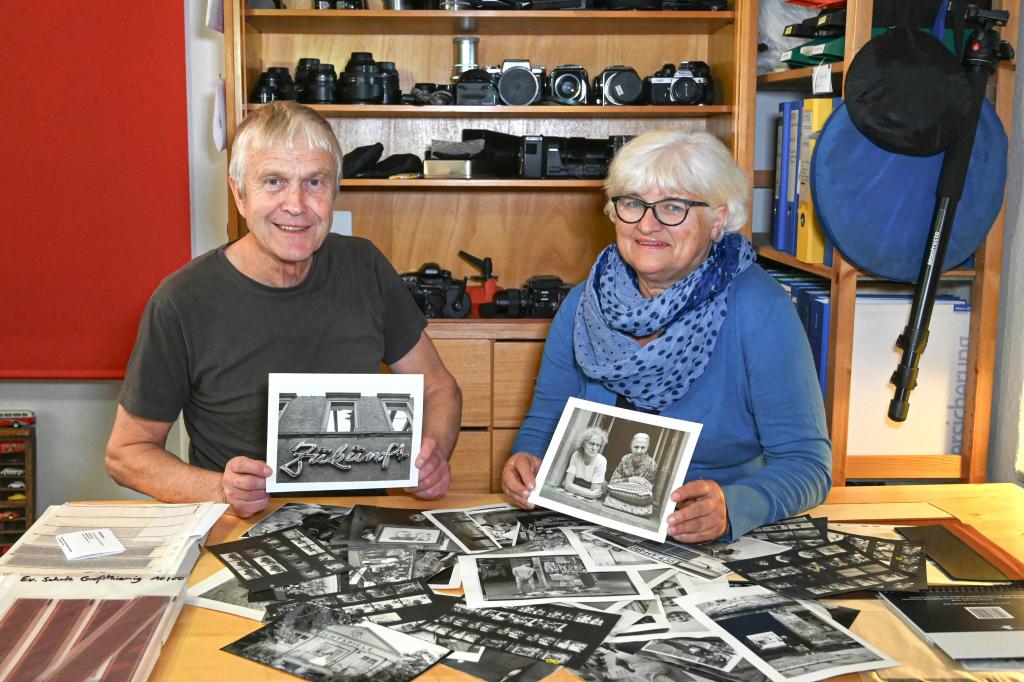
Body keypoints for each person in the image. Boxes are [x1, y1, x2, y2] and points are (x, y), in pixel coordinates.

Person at [105, 102, 462, 517]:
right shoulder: (182, 300)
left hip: (359, 523)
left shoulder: (364, 266)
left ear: (335, 192)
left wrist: (432, 456)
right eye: (273, 181)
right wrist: (220, 488)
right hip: (237, 527)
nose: (296, 204)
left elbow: (439, 388)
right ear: (239, 193)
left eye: (315, 182)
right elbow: (126, 453)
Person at [501, 129, 831, 542]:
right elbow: (545, 423)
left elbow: (808, 464)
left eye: (673, 207)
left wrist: (733, 507)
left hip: (707, 541)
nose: (647, 224)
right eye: (633, 203)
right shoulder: (583, 302)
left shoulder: (760, 308)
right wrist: (526, 460)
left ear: (718, 219)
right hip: (590, 527)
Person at [560, 426, 609, 500]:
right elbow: (567, 484)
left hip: (600, 487)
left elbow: (595, 492)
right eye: (591, 444)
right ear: (583, 443)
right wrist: (589, 493)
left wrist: (572, 487)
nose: (594, 448)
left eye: (598, 445)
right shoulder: (576, 455)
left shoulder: (601, 460)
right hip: (585, 487)